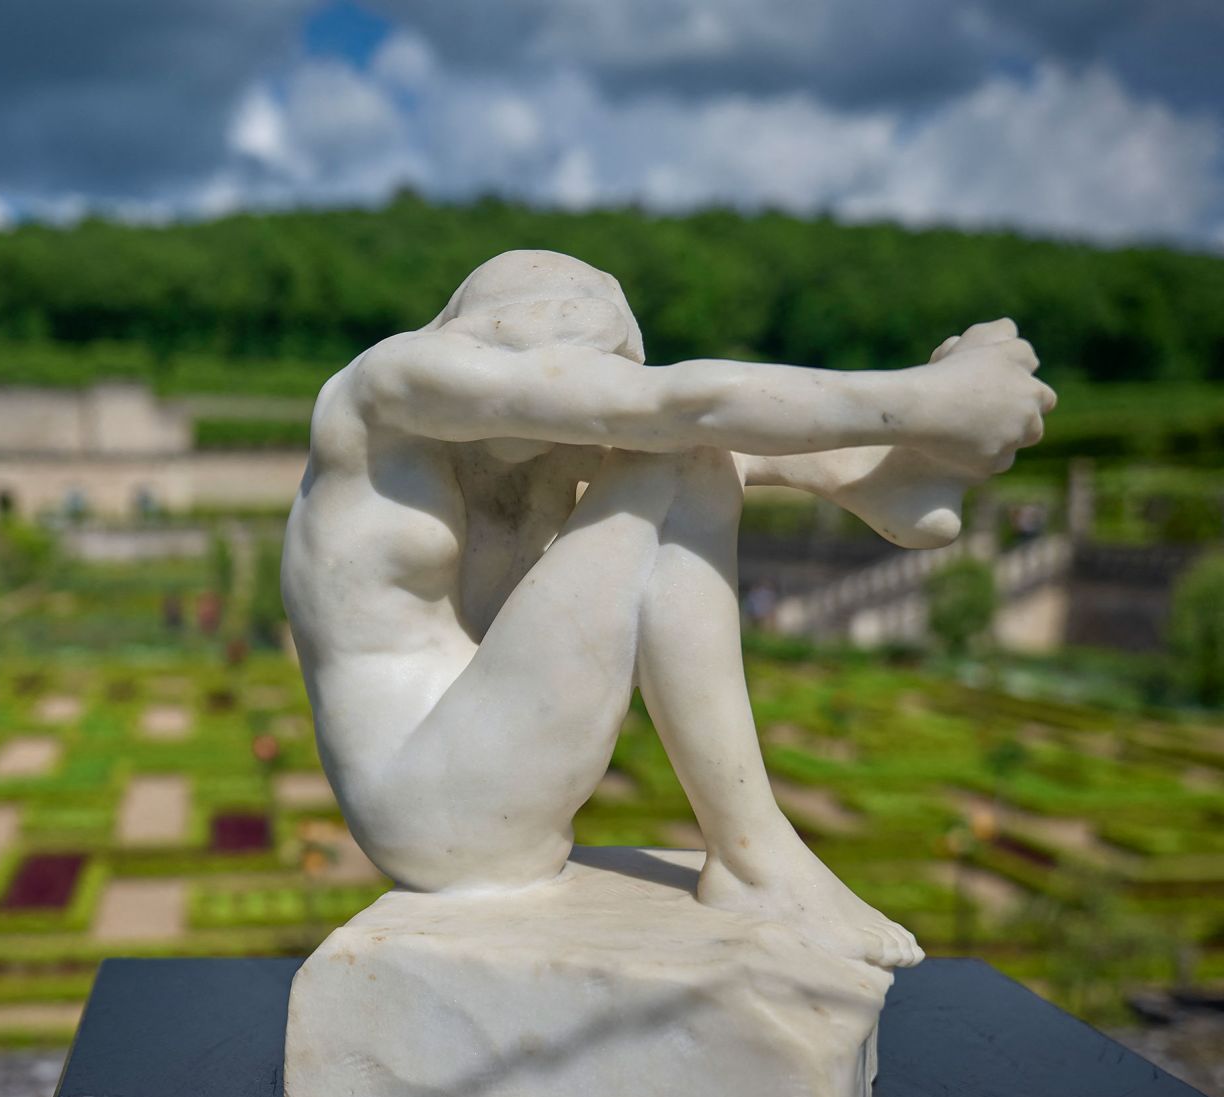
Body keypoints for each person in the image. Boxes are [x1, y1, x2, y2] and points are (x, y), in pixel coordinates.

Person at [283, 250, 1055, 967]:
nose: (580, 392)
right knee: (677, 446)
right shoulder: (386, 389)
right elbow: (676, 410)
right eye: (571, 369)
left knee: (680, 451)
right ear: (490, 347)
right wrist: (930, 402)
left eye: (603, 367)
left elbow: (700, 439)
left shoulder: (528, 456)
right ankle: (757, 861)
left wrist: (886, 444)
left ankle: (871, 472)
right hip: (428, 807)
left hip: (489, 790)